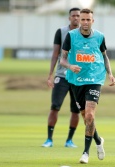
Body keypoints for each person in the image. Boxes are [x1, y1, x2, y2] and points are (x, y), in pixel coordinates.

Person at [60, 8, 115, 164]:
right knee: (86, 118)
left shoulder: (99, 37)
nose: (84, 22)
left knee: (90, 115)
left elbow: (105, 57)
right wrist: (70, 66)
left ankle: (86, 153)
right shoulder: (71, 36)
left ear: (93, 21)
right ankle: (98, 140)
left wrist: (110, 74)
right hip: (76, 80)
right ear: (79, 20)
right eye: (82, 19)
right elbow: (62, 60)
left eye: (87, 19)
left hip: (95, 78)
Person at [42, 7, 81, 148]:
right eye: (74, 16)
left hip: (78, 77)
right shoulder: (61, 32)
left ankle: (69, 140)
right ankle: (49, 139)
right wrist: (50, 74)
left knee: (76, 110)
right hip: (62, 76)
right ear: (69, 18)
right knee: (55, 106)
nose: (76, 18)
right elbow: (55, 54)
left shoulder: (85, 33)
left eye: (78, 16)